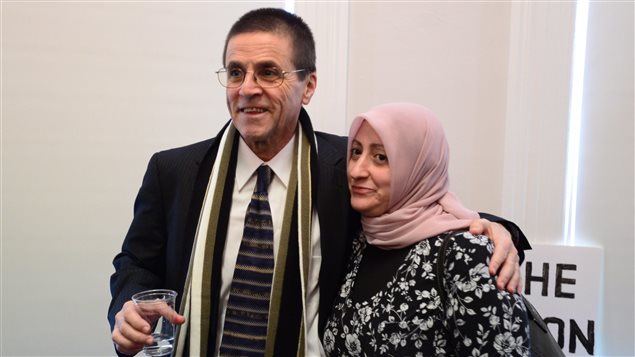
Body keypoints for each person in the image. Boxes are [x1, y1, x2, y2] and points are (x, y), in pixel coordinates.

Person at [108, 8, 530, 357]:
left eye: (268, 72)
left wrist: (493, 232)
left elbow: (420, 204)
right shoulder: (175, 170)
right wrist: (127, 306)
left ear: (308, 85)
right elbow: (135, 262)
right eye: (236, 72)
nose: (247, 89)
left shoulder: (346, 167)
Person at [322, 102, 531, 356]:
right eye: (355, 152)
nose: (356, 171)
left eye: (380, 157)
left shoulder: (467, 255)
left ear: (417, 166)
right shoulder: (360, 241)